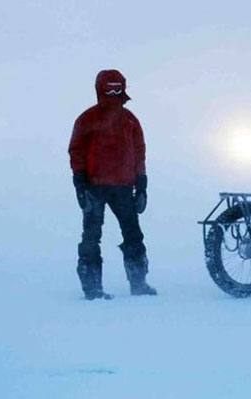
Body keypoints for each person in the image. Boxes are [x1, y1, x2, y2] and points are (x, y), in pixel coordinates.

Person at [68, 69, 157, 300]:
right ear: (100, 89)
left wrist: (142, 186)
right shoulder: (86, 119)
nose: (115, 93)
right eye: (110, 88)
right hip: (93, 187)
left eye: (118, 88)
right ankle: (92, 288)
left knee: (133, 235)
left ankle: (139, 284)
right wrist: (79, 183)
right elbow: (76, 151)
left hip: (124, 188)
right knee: (91, 236)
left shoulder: (130, 120)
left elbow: (140, 152)